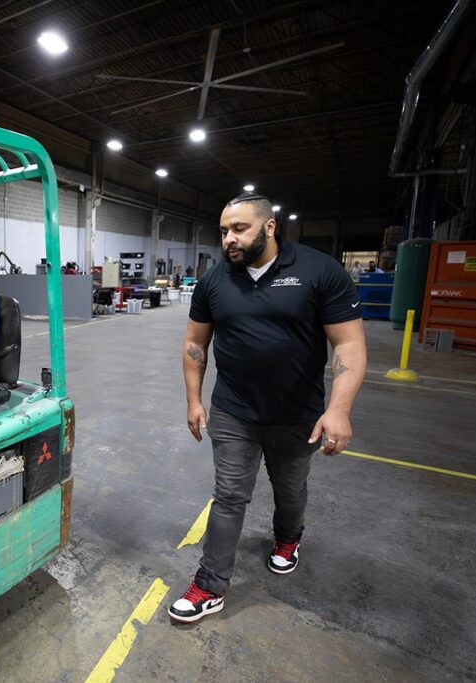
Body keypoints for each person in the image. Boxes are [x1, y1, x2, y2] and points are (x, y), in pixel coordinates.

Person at [168, 192, 366, 623]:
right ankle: (210, 584)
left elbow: (348, 344)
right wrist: (193, 400)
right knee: (229, 496)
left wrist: (340, 408)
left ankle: (288, 538)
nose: (229, 240)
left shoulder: (319, 271)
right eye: (224, 231)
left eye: (239, 229)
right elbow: (194, 344)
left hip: (298, 414)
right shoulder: (215, 281)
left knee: (290, 490)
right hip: (234, 411)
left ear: (270, 227)